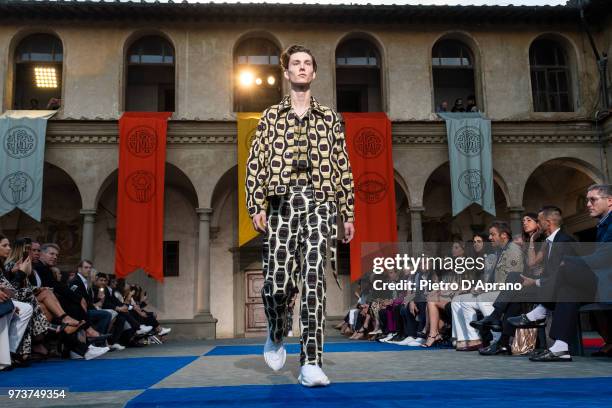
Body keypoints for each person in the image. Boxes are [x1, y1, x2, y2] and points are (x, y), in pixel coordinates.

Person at [245, 44, 355, 387]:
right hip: (281, 204)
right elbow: (255, 163)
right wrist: (256, 204)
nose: (303, 68)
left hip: (320, 202)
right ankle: (277, 331)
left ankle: (311, 362)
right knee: (276, 285)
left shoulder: (331, 118)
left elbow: (343, 166)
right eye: (296, 63)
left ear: (314, 72)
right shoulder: (270, 117)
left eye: (308, 63)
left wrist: (346, 212)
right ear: (287, 72)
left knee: (313, 283)